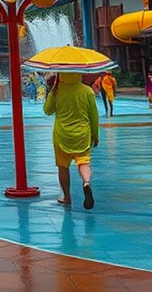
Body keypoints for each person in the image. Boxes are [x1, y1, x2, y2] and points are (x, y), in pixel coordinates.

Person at [44, 72, 99, 209]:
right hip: (83, 134)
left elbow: (47, 111)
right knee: (83, 161)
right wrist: (95, 134)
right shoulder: (87, 91)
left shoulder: (58, 91)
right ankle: (86, 182)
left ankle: (67, 197)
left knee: (63, 166)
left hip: (62, 134)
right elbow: (94, 116)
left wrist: (52, 92)